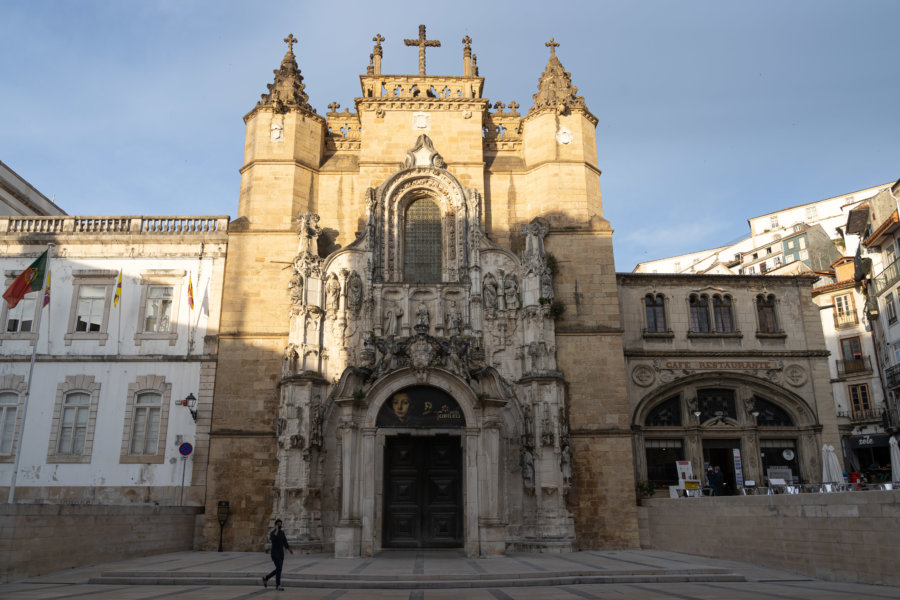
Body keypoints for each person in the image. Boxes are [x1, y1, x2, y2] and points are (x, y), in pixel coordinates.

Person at [262, 518, 293, 590]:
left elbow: (285, 542)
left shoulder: (282, 533)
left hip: (281, 554)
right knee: (279, 569)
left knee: (279, 569)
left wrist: (289, 549)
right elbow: (273, 539)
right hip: (274, 554)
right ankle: (277, 585)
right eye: (278, 525)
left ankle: (266, 578)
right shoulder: (272, 533)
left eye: (280, 525)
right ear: (275, 525)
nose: (279, 526)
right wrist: (276, 530)